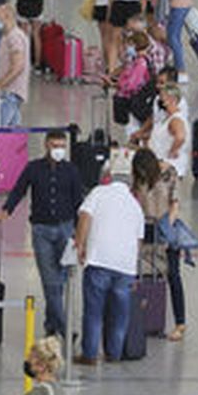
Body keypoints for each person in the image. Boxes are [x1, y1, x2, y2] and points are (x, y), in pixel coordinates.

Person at [0, 130, 85, 338]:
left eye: (62, 146)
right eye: (55, 145)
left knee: (60, 281)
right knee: (50, 281)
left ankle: (50, 323)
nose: (58, 150)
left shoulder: (71, 170)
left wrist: (80, 233)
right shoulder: (33, 168)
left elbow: (78, 201)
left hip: (66, 229)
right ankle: (65, 328)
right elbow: (19, 190)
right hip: (41, 231)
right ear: (46, 146)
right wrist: (6, 210)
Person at [73, 151, 144, 365]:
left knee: (94, 311)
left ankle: (90, 355)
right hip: (125, 266)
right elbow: (139, 241)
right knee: (120, 314)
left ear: (108, 176)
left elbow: (85, 218)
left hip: (99, 260)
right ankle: (114, 353)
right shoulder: (135, 206)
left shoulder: (98, 193)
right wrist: (134, 268)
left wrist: (80, 245)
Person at [132, 148, 187, 342]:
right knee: (139, 272)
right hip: (144, 226)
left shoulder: (169, 173)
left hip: (166, 226)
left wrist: (166, 227)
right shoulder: (139, 176)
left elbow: (175, 203)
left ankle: (180, 323)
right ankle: (142, 317)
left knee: (172, 274)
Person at [0, 2, 29, 127]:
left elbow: (18, 66)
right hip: (11, 92)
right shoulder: (10, 36)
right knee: (12, 132)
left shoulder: (14, 37)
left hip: (9, 92)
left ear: (7, 16)